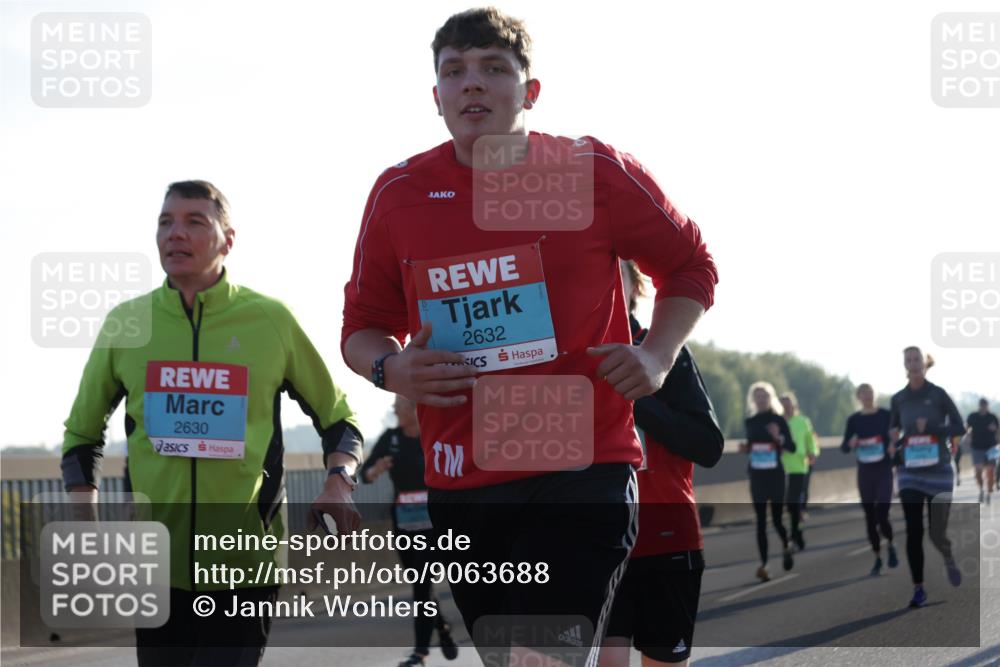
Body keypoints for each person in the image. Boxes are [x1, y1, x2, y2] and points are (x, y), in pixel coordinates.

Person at [340, 8, 718, 664]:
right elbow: (362, 327)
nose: (472, 85)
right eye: (454, 72)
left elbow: (690, 264)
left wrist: (657, 355)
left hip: (584, 465)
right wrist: (390, 369)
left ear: (531, 91)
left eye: (493, 68)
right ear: (436, 99)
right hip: (464, 482)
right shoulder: (399, 193)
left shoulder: (590, 168)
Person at [61, 180, 364, 667]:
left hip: (245, 564)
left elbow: (339, 419)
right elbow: (81, 437)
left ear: (228, 239)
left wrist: (339, 481)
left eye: (194, 222)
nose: (174, 234)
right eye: (165, 222)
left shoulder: (270, 320)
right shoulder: (126, 324)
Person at [600, 261, 723, 667]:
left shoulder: (664, 350)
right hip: (593, 546)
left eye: (610, 269)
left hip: (666, 541)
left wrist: (639, 392)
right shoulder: (566, 358)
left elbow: (708, 446)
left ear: (636, 284)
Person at [360, 395, 459, 667]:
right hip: (404, 522)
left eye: (399, 407)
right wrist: (374, 470)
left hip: (433, 522)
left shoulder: (433, 434)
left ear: (415, 409)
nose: (394, 411)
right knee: (420, 583)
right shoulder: (391, 438)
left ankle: (420, 652)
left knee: (422, 582)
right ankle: (442, 628)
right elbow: (365, 473)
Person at [889, 346, 965, 608]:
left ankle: (947, 553)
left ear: (925, 363)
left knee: (936, 532)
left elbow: (959, 427)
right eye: (908, 359)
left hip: (939, 470)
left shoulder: (938, 394)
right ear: (905, 365)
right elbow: (893, 428)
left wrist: (932, 428)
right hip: (910, 471)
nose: (913, 363)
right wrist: (892, 442)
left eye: (917, 359)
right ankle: (918, 588)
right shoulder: (898, 398)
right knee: (913, 529)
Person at [740, 382, 797, 581]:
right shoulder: (751, 421)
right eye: (758, 396)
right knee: (761, 521)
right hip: (757, 474)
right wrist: (746, 448)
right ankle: (764, 565)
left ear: (770, 398)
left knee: (777, 518)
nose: (761, 399)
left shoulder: (778, 420)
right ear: (753, 400)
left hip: (775, 475)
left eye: (765, 396)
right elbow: (753, 444)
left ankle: (787, 543)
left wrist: (778, 437)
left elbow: (792, 447)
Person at [841, 383, 898, 575]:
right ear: (858, 397)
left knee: (882, 512)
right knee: (869, 516)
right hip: (865, 471)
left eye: (870, 393)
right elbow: (844, 447)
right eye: (863, 393)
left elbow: (897, 436)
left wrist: (893, 444)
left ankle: (890, 543)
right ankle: (877, 557)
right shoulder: (854, 420)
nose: (867, 396)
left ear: (874, 395)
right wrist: (851, 443)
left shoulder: (885, 415)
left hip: (883, 469)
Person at [778, 392, 818, 551]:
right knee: (789, 504)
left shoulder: (803, 421)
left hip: (800, 465)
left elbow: (810, 438)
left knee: (794, 503)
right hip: (782, 464)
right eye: (783, 403)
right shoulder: (778, 422)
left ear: (794, 404)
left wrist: (813, 451)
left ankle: (795, 536)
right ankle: (798, 534)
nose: (786, 406)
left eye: (788, 402)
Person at [967, 398, 999, 505]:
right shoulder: (972, 416)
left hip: (991, 448)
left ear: (987, 406)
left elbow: (998, 431)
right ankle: (981, 489)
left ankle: (989, 493)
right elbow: (967, 428)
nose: (983, 407)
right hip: (976, 447)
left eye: (985, 405)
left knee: (990, 472)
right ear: (979, 406)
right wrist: (968, 435)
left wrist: (995, 430)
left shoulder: (992, 417)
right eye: (982, 405)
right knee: (978, 472)